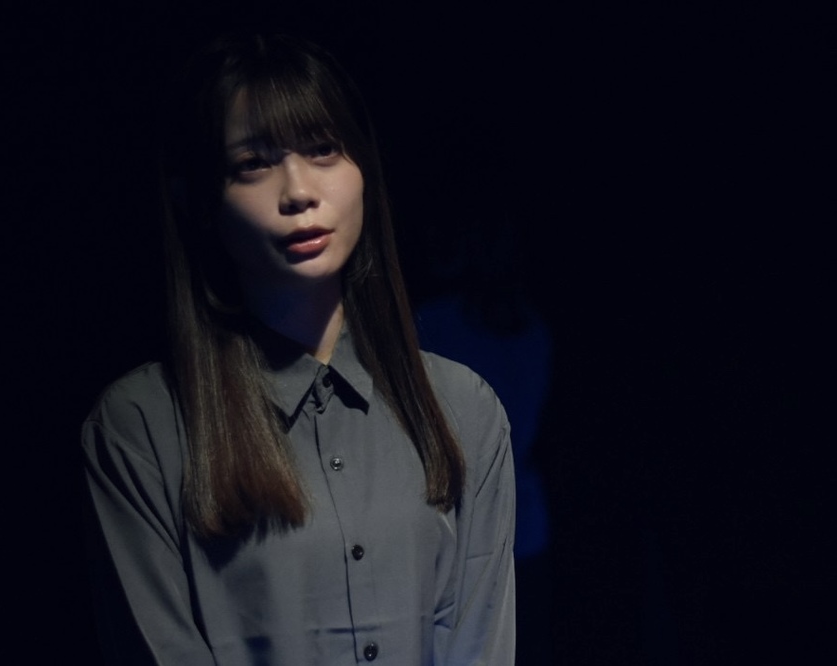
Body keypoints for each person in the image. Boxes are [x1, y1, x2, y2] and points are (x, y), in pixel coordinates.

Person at [81, 33, 515, 665]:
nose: (298, 191)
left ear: (364, 170)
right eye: (252, 163)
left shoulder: (462, 409)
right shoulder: (142, 427)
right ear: (198, 200)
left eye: (322, 149)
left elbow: (479, 642)